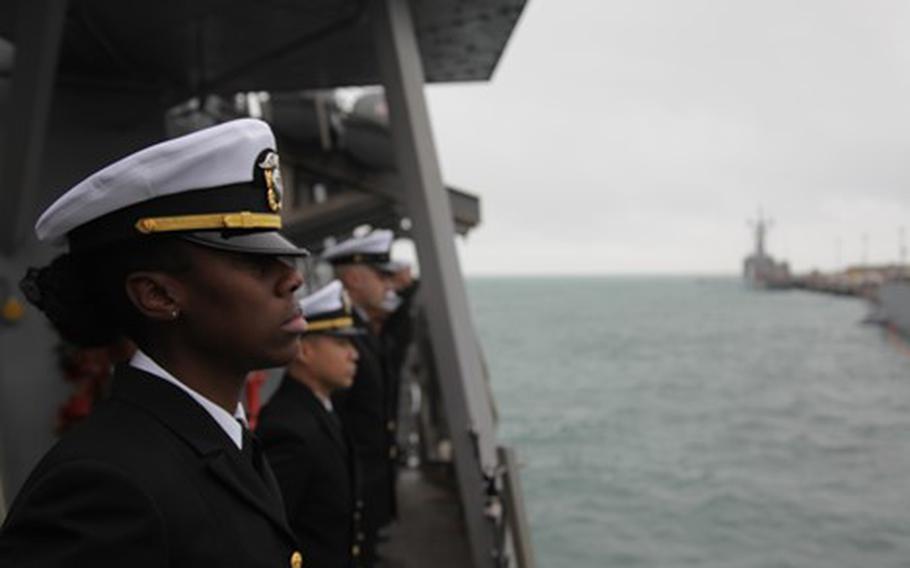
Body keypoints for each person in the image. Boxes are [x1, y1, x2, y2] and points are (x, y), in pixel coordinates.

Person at [0, 119, 310, 568]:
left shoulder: (218, 441)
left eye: (281, 253)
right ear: (157, 295)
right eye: (254, 260)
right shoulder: (104, 487)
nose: (293, 277)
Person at [258, 280, 366, 568]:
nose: (354, 355)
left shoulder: (320, 408)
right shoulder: (288, 428)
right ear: (304, 351)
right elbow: (270, 535)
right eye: (342, 343)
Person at [321, 230, 398, 562]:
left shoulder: (365, 329)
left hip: (368, 481)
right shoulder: (345, 334)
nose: (389, 284)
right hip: (354, 484)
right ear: (353, 277)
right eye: (381, 275)